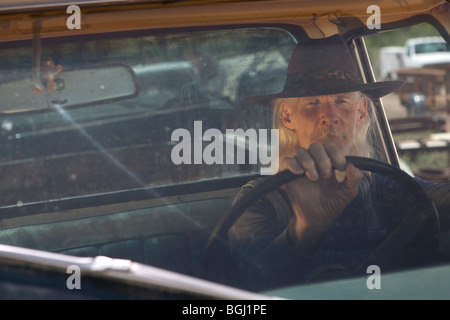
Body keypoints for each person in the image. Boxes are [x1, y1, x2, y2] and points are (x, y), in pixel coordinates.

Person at [228, 35, 450, 291]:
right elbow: (249, 286)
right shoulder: (262, 200)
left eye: (342, 101)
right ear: (288, 116)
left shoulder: (389, 188)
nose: (330, 117)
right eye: (313, 103)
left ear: (361, 111)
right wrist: (304, 230)